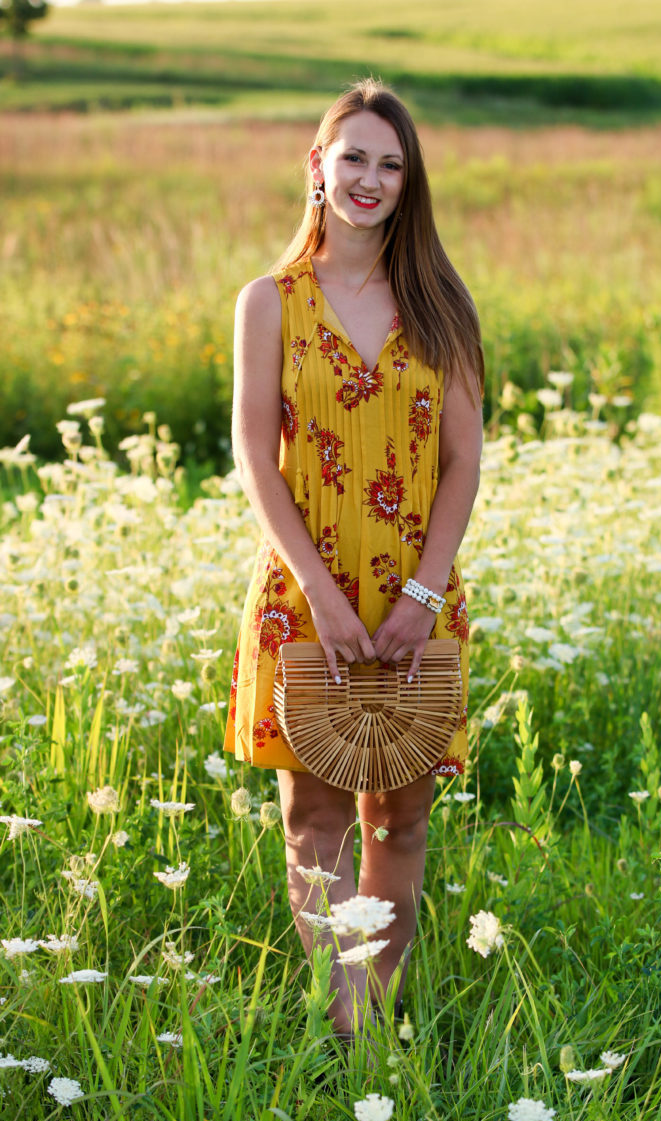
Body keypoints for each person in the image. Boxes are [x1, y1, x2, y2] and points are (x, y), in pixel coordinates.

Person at [223, 79, 483, 1037]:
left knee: (398, 821)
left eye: (391, 163)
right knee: (316, 822)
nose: (370, 178)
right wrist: (325, 599)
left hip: (419, 598)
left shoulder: (443, 305)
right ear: (318, 168)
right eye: (355, 157)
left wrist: (421, 591)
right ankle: (352, 1037)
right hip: (305, 589)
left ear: (408, 184)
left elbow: (463, 464)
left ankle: (377, 1002)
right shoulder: (269, 301)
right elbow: (256, 455)